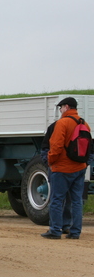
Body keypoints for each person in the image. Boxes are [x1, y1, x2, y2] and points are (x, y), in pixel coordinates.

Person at [41, 97, 90, 239]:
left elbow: (56, 146)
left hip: (62, 168)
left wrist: (50, 161)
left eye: (61, 107)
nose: (60, 110)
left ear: (66, 107)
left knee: (56, 200)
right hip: (80, 167)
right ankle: (75, 232)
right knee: (76, 201)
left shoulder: (62, 123)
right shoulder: (84, 123)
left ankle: (55, 231)